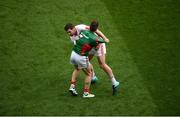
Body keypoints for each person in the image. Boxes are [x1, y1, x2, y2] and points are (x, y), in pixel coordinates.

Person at [64, 21, 119, 95]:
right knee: (84, 63)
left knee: (102, 64)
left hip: (98, 44)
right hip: (88, 47)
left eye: (69, 31)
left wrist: (104, 38)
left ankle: (114, 82)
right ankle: (92, 77)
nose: (69, 34)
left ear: (73, 28)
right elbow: (80, 45)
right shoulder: (72, 37)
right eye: (67, 32)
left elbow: (96, 30)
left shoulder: (81, 27)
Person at [68, 22, 106, 98]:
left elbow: (79, 39)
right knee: (89, 73)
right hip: (81, 57)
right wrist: (105, 39)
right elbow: (99, 44)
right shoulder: (94, 38)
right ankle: (86, 93)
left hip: (73, 54)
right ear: (96, 29)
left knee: (78, 68)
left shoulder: (82, 31)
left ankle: (72, 86)